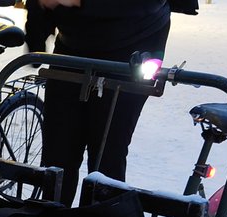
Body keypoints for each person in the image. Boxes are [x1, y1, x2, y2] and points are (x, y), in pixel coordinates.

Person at [31, 0, 171, 205]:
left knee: (107, 152)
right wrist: (37, 29)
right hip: (72, 46)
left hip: (131, 48)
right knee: (58, 151)